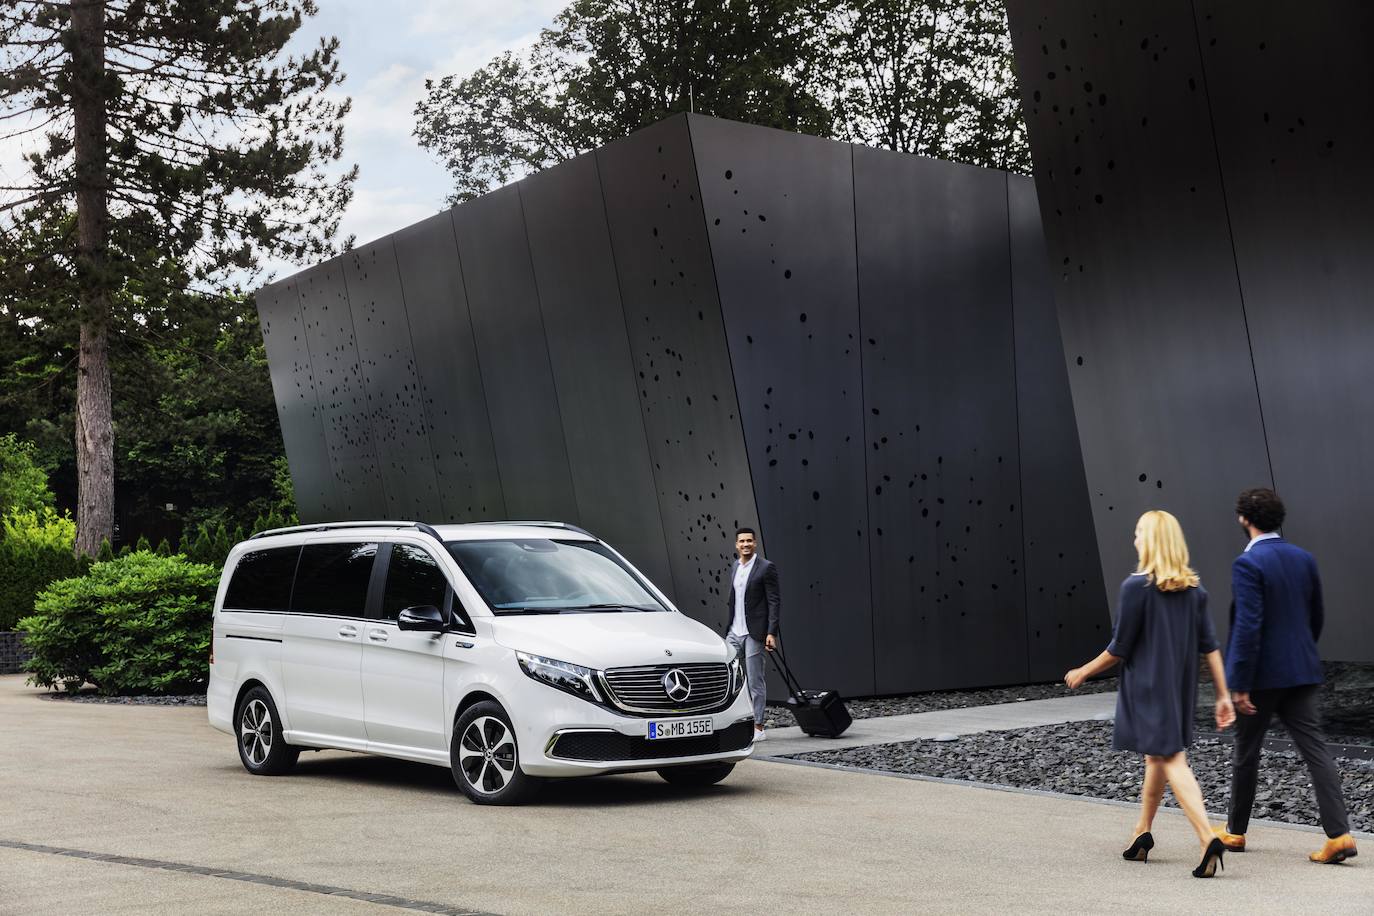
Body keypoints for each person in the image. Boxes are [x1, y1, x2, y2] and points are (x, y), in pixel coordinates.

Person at [1065, 510, 1236, 878]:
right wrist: (1223, 695)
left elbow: (1119, 649)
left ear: (1153, 541)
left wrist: (1083, 671)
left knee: (1172, 759)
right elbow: (1211, 647)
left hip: (1145, 688)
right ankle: (1142, 833)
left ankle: (1207, 838)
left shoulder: (1135, 587)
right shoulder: (1196, 591)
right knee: (1156, 759)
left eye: (1139, 533)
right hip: (1178, 690)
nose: (1135, 540)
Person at [1212, 489, 1358, 864]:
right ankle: (1339, 836)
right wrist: (1302, 653)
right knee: (1316, 751)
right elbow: (1316, 615)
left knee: (1246, 753)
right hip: (1302, 670)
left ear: (1244, 520)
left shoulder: (1247, 564)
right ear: (1279, 519)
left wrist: (1239, 683)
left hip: (1262, 678)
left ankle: (1236, 832)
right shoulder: (1303, 558)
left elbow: (1248, 625)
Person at [725, 527, 779, 742]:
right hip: (733, 632)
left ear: (755, 543)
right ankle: (734, 722)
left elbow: (774, 601)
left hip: (754, 633)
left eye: (749, 541)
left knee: (755, 680)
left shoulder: (766, 568)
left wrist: (771, 632)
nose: (745, 544)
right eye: (742, 541)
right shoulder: (735, 566)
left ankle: (758, 726)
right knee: (728, 675)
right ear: (736, 545)